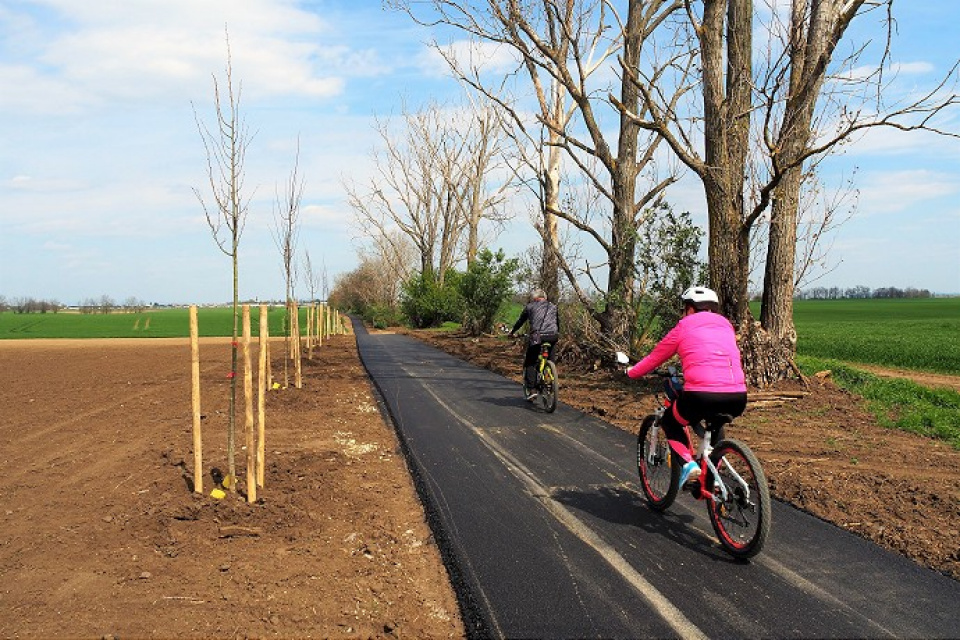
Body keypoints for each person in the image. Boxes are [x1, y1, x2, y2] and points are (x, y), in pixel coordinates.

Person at [626, 286, 747, 487]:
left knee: (671, 422)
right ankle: (713, 478)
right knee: (715, 423)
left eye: (684, 308)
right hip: (737, 395)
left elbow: (654, 358)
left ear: (690, 309)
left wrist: (631, 372)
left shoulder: (684, 326)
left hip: (701, 395)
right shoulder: (726, 325)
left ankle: (689, 466)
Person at [509, 289, 560, 400]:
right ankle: (550, 379)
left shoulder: (530, 307)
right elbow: (557, 322)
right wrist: (556, 334)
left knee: (530, 361)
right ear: (545, 297)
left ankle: (532, 390)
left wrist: (512, 332)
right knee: (551, 359)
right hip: (553, 336)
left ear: (534, 298)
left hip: (538, 337)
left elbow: (520, 321)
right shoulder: (553, 306)